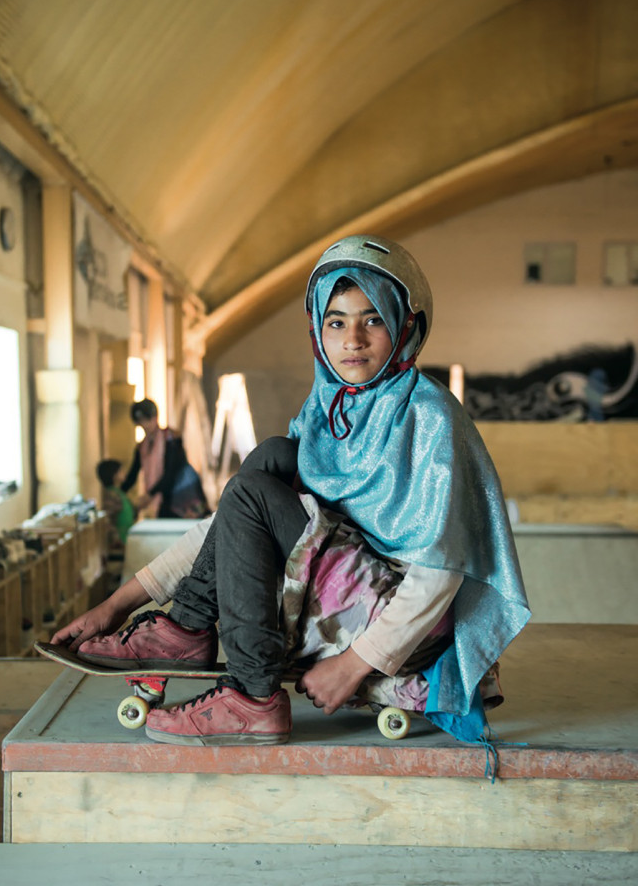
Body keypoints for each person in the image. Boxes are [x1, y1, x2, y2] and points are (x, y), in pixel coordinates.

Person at [52, 235, 530, 748]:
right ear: (316, 331)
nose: (354, 339)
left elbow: (441, 575)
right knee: (273, 459)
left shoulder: (429, 415)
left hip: (403, 628)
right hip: (349, 588)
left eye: (373, 319)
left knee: (254, 490)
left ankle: (251, 695)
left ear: (406, 326)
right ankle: (184, 628)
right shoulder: (328, 409)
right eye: (336, 321)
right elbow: (224, 530)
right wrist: (117, 605)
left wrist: (355, 665)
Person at [123, 398, 209, 519]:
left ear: (155, 418)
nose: (145, 425)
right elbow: (133, 473)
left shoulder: (172, 439)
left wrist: (149, 495)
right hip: (164, 500)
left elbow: (171, 472)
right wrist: (119, 492)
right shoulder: (142, 447)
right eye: (141, 422)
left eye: (147, 420)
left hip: (181, 496)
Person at [96, 459, 150, 546]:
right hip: (119, 542)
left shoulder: (119, 493)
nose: (124, 473)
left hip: (125, 538)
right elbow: (109, 519)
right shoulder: (111, 495)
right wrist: (116, 539)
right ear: (114, 475)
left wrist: (140, 506)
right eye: (121, 471)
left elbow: (127, 512)